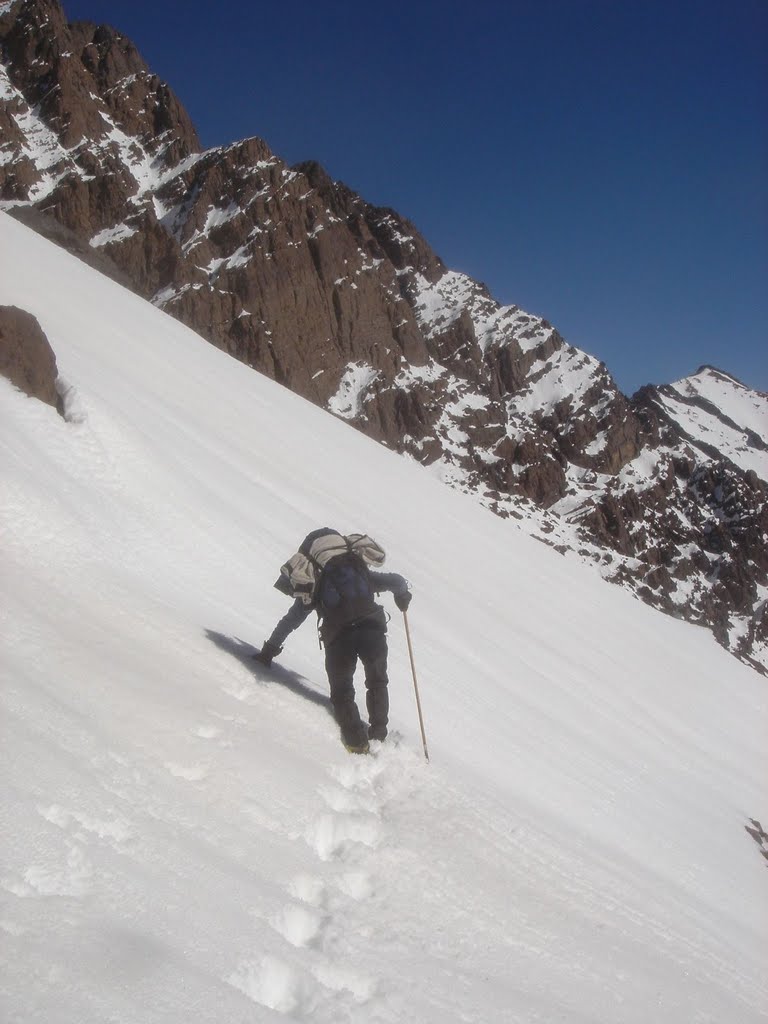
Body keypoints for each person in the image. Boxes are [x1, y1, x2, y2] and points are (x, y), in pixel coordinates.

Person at [255, 529, 411, 753]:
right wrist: (402, 596)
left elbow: (291, 621)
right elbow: (396, 581)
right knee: (377, 681)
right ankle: (378, 735)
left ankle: (357, 743)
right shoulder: (359, 570)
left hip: (339, 637)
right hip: (372, 628)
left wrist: (268, 651)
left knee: (342, 692)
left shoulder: (315, 581)